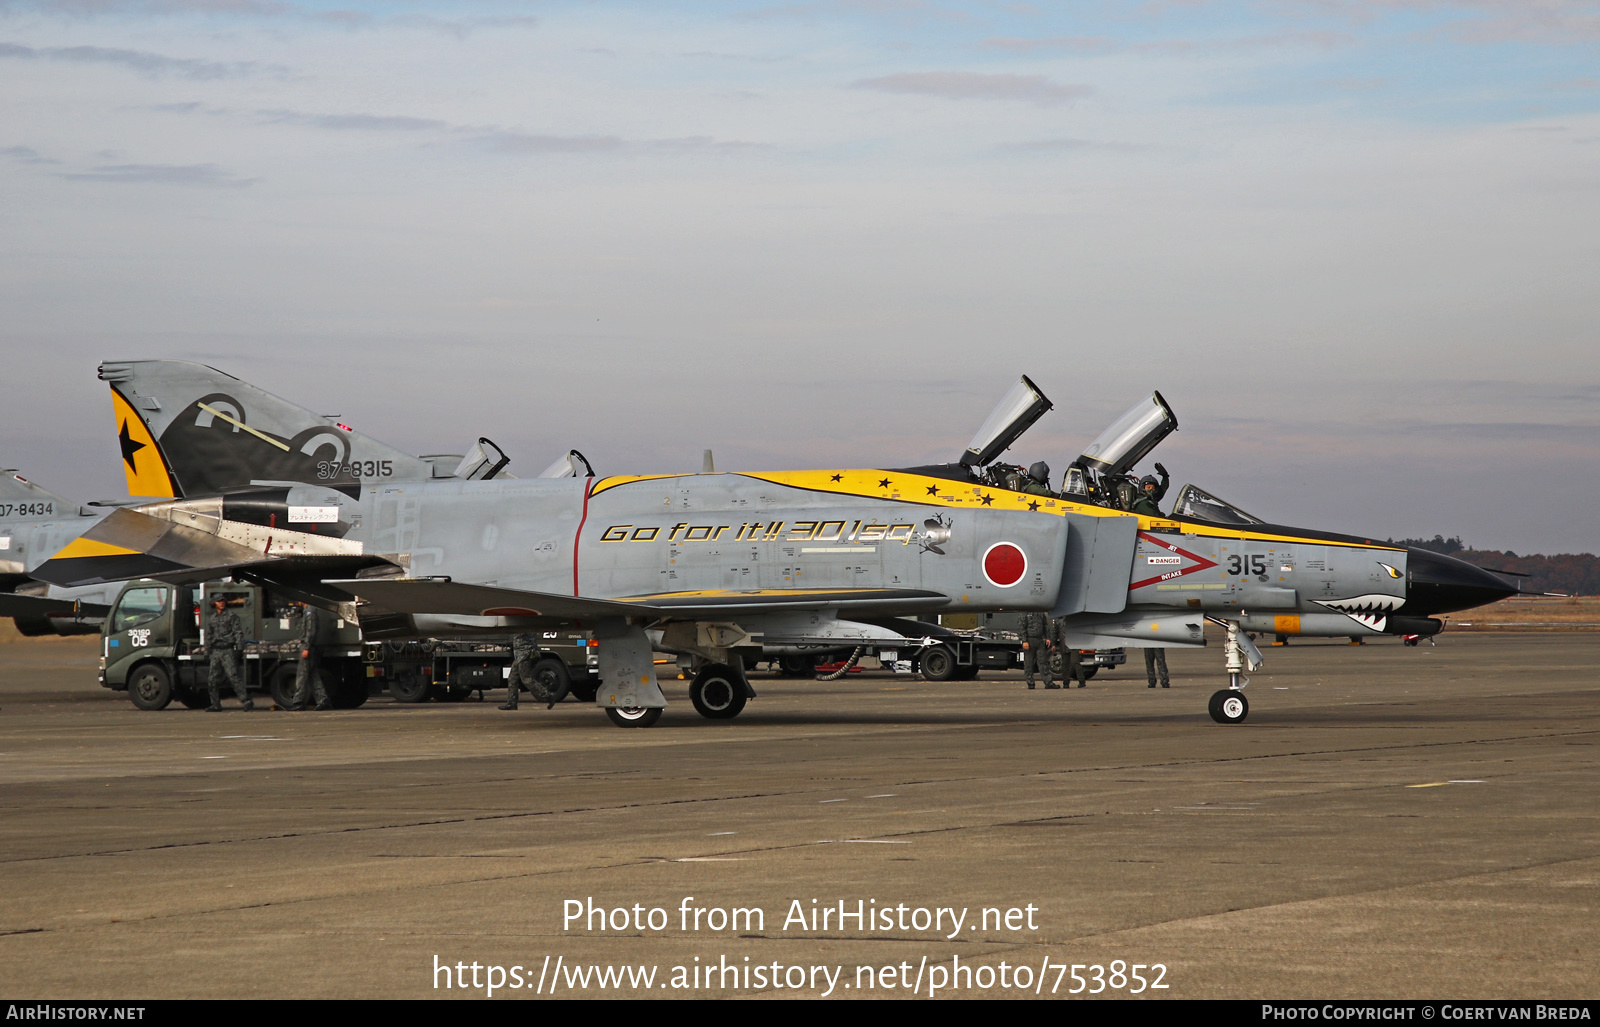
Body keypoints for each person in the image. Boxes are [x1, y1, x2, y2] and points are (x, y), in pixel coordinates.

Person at [205, 595, 251, 711]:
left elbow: (238, 632)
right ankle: (215, 704)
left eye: (223, 601)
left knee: (233, 676)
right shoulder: (212, 618)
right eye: (219, 601)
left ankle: (246, 700)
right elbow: (209, 635)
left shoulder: (231, 616)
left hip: (228, 650)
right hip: (216, 650)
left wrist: (239, 648)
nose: (221, 603)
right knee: (212, 679)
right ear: (214, 603)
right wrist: (207, 650)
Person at [500, 632, 555, 710]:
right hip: (520, 655)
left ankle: (547, 695)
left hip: (525, 654)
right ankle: (511, 703)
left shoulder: (523, 625)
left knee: (526, 679)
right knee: (512, 678)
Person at [290, 602, 330, 711]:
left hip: (308, 647)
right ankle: (323, 700)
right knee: (312, 675)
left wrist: (306, 647)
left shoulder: (309, 612)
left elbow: (310, 631)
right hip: (309, 646)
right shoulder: (308, 610)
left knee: (302, 675)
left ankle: (298, 702)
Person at [1019, 611, 1056, 689]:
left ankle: (1048, 682)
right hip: (1030, 640)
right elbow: (1022, 627)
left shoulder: (1040, 613)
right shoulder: (1025, 613)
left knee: (1043, 662)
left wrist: (1048, 637)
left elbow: (1045, 625)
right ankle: (1030, 683)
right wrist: (1024, 641)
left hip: (1040, 640)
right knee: (1029, 663)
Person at [1056, 619, 1089, 688]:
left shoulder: (1075, 620)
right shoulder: (1059, 621)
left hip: (1074, 644)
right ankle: (1065, 682)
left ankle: (1081, 681)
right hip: (1064, 645)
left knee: (1075, 662)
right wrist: (1053, 643)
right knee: (1064, 664)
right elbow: (1055, 632)